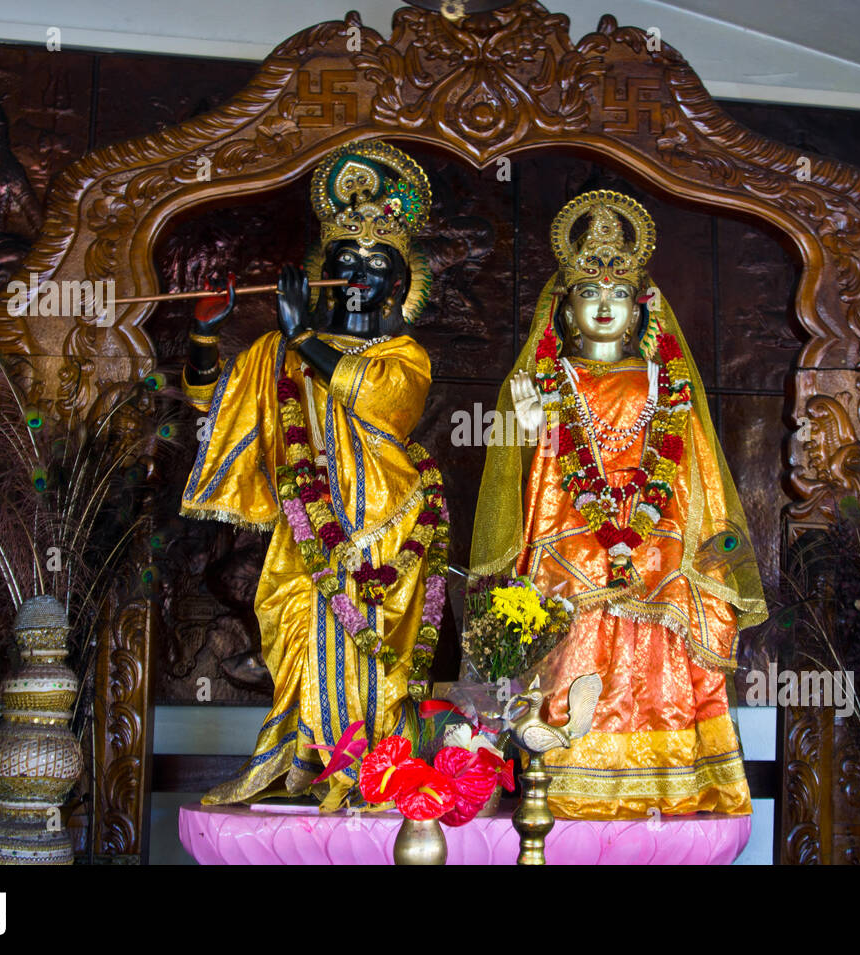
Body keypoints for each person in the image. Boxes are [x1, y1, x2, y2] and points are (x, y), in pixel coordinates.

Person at [471, 190, 768, 819]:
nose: (604, 306)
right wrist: (524, 432)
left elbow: (697, 477)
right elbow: (532, 479)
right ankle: (563, 789)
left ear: (638, 311)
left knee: (662, 663)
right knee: (568, 655)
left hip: (661, 548)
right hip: (569, 544)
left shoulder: (668, 384)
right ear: (567, 312)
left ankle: (667, 785)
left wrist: (693, 554)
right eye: (589, 294)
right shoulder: (548, 382)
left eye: (617, 295)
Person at [180, 141, 448, 808]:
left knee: (378, 650)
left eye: (375, 264)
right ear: (320, 271)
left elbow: (381, 401)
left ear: (398, 283)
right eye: (344, 262)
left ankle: (382, 771)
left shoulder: (403, 354)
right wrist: (207, 336)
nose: (357, 274)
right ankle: (302, 762)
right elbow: (213, 406)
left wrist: (306, 339)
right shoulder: (280, 349)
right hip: (306, 530)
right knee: (297, 630)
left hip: (388, 525)